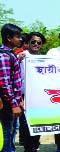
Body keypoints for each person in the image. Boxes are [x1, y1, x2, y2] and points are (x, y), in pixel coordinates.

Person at [18, 31, 47, 152]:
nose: (36, 44)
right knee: (25, 123)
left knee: (38, 121)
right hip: (24, 95)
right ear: (28, 43)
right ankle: (28, 147)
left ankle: (34, 145)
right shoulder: (22, 56)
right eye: (33, 42)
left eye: (39, 42)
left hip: (39, 95)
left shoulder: (44, 59)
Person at [0, 23, 23, 152]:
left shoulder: (11, 54)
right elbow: (5, 83)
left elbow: (15, 80)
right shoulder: (4, 56)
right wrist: (14, 104)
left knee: (12, 132)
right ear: (9, 38)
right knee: (7, 135)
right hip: (7, 105)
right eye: (17, 36)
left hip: (12, 102)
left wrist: (19, 100)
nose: (20, 39)